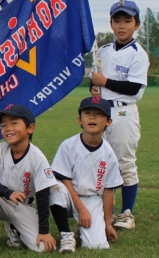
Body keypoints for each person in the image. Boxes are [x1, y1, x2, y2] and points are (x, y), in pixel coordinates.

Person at [90, 0, 149, 229]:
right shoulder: (103, 51)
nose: (122, 25)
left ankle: (127, 213)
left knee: (124, 162)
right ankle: (108, 211)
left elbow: (134, 87)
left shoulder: (138, 53)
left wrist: (104, 81)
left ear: (137, 24)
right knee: (103, 160)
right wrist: (95, 89)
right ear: (111, 24)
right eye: (117, 20)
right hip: (103, 110)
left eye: (127, 20)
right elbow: (97, 84)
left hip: (124, 111)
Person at [0, 104, 57, 254]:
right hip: (1, 200)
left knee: (42, 248)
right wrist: (8, 193)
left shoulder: (37, 157)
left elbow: (43, 196)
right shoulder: (1, 149)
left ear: (30, 128)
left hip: (25, 206)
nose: (8, 128)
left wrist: (44, 231)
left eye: (14, 123)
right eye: (3, 125)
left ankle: (14, 229)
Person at [49, 97, 123, 252]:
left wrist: (107, 224)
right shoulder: (69, 145)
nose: (92, 117)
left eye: (98, 113)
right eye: (87, 113)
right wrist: (81, 208)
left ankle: (83, 230)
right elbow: (65, 179)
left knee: (96, 245)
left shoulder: (109, 154)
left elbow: (109, 190)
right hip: (68, 196)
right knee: (55, 188)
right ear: (80, 120)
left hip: (92, 199)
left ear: (108, 122)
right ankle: (66, 234)